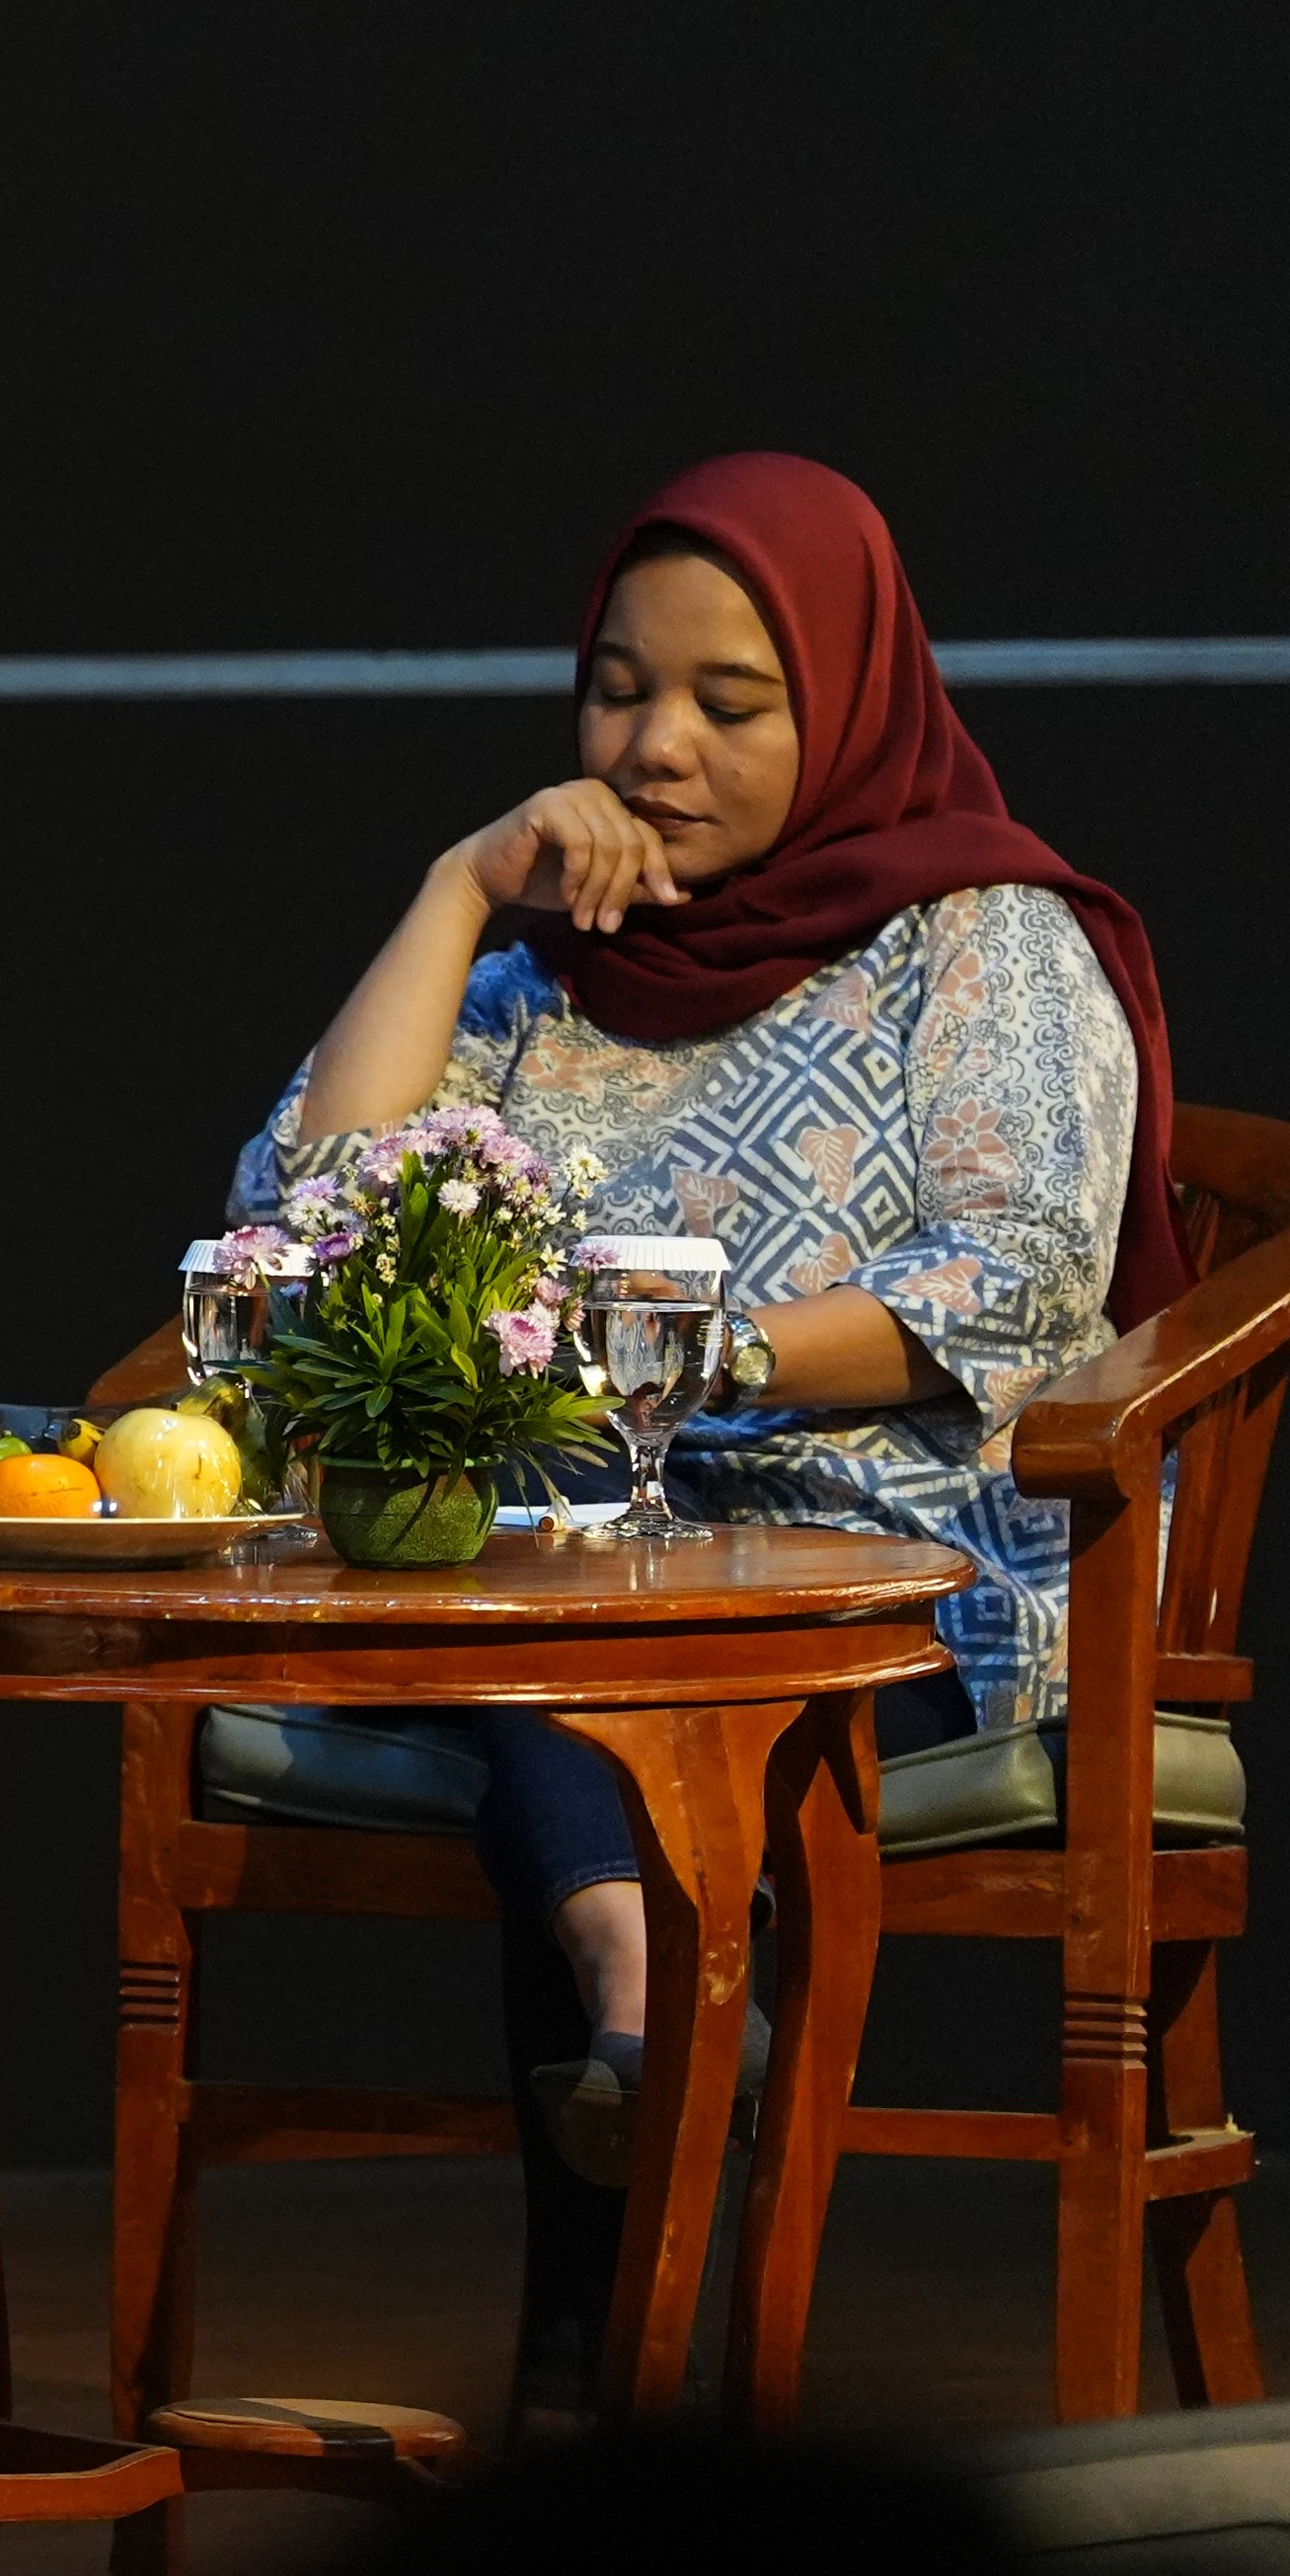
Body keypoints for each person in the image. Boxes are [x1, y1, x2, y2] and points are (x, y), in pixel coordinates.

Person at [235, 451, 1175, 2420]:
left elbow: (1011, 1279)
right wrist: (453, 887)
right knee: (541, 1598)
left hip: (884, 1581)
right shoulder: (536, 975)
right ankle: (647, 2011)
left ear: (847, 700)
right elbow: (296, 1239)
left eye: (730, 704)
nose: (656, 746)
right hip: (553, 1576)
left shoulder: (981, 939)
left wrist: (683, 1354)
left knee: (581, 1624)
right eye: (615, 690)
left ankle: (606, 2267)